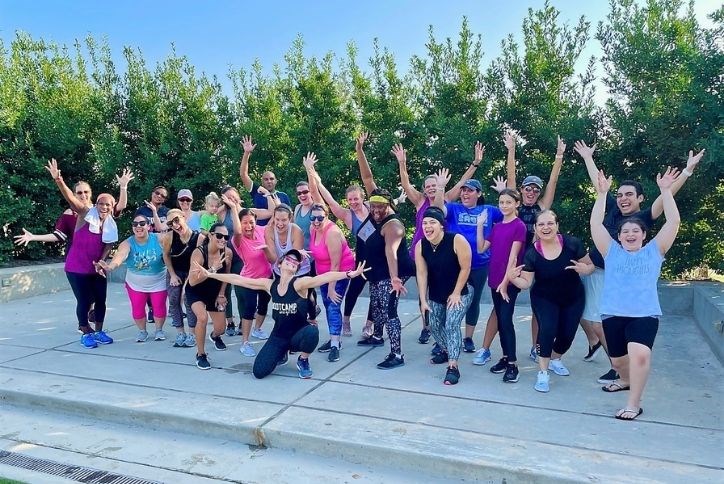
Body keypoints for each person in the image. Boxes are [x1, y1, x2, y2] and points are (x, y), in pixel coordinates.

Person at [573, 141, 705, 384]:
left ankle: (619, 368)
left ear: (640, 198)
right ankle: (618, 364)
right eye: (621, 194)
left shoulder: (643, 218)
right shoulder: (612, 208)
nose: (623, 199)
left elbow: (667, 196)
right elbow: (599, 186)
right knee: (593, 321)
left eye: (629, 195)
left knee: (604, 325)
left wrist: (686, 171)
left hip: (621, 279)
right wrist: (588, 159)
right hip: (598, 273)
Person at [590, 167, 681, 420]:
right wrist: (602, 194)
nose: (631, 234)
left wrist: (665, 191)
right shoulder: (611, 252)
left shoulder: (655, 251)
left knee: (640, 356)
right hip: (612, 313)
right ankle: (625, 379)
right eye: (626, 232)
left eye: (636, 231)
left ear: (643, 235)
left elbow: (673, 222)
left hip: (644, 315)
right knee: (619, 363)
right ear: (618, 237)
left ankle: (633, 403)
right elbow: (595, 223)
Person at [194, 249, 369, 379]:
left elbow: (323, 277)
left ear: (297, 268)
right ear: (279, 263)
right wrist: (211, 274)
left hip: (298, 334)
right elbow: (239, 279)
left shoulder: (300, 284)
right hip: (278, 336)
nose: (292, 262)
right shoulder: (269, 285)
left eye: (296, 262)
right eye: (289, 259)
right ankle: (281, 353)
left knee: (312, 331)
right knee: (259, 372)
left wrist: (348, 274)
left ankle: (303, 359)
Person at [392, 141, 483, 345]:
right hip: (422, 251)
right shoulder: (419, 201)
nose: (432, 189)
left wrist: (475, 163)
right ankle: (426, 326)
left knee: (442, 289)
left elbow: (462, 181)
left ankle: (441, 327)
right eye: (429, 186)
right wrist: (402, 162)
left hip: (443, 252)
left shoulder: (447, 197)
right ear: (424, 190)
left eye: (435, 185)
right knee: (424, 289)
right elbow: (405, 183)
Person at [506, 210, 594, 392]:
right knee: (547, 330)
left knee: (567, 336)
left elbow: (590, 265)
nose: (546, 227)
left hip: (573, 297)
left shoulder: (572, 244)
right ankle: (543, 372)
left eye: (549, 223)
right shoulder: (532, 253)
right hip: (544, 298)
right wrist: (512, 277)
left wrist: (586, 270)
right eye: (541, 225)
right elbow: (526, 283)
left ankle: (555, 358)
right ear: (536, 229)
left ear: (557, 225)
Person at [503, 132, 565, 362]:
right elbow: (510, 177)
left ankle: (537, 346)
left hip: (537, 260)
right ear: (521, 190)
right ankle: (490, 347)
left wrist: (559, 155)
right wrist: (511, 150)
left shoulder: (542, 206)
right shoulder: (515, 205)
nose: (531, 192)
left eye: (535, 189)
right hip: (514, 259)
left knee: (538, 307)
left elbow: (553, 182)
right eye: (527, 188)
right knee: (502, 302)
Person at [45, 159, 118, 348]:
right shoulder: (86, 212)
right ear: (96, 204)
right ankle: (85, 331)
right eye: (101, 203)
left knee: (101, 300)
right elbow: (71, 198)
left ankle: (99, 330)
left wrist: (102, 261)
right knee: (84, 301)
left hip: (96, 268)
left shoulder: (110, 223)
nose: (104, 207)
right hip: (76, 267)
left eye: (108, 204)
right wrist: (59, 180)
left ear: (112, 206)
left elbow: (108, 246)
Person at [431, 169, 503, 357]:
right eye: (463, 190)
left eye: (470, 190)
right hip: (453, 265)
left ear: (478, 194)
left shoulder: (489, 211)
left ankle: (468, 338)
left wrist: (503, 192)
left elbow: (510, 215)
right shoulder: (454, 208)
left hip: (480, 264)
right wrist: (440, 187)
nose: (465, 193)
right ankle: (444, 339)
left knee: (474, 301)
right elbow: (437, 208)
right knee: (449, 300)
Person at [303, 150, 371, 337]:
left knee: (378, 294)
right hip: (361, 259)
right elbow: (325, 197)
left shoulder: (373, 208)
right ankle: (346, 320)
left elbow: (386, 204)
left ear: (362, 197)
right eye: (350, 200)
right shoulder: (346, 215)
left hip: (379, 257)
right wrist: (312, 172)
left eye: (356, 198)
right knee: (353, 291)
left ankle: (369, 324)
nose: (353, 202)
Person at [359, 188, 416, 369]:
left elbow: (390, 252)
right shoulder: (376, 214)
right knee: (376, 303)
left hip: (393, 273)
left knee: (389, 311)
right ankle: (376, 336)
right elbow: (367, 179)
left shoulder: (393, 226)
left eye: (380, 208)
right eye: (372, 207)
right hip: (377, 271)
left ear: (389, 206)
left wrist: (394, 279)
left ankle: (397, 354)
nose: (375, 212)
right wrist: (361, 156)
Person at [416, 207, 473, 385]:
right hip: (436, 292)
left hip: (461, 291)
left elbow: (466, 268)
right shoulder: (421, 245)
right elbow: (422, 273)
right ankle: (448, 349)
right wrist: (423, 300)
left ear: (441, 226)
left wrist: (456, 292)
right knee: (432, 325)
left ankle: (453, 366)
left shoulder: (456, 240)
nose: (427, 226)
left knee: (451, 324)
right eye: (424, 223)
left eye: (432, 222)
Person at [476, 188, 526, 383]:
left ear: (516, 204)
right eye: (501, 202)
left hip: (509, 282)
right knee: (501, 321)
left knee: (505, 321)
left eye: (508, 202)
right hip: (495, 279)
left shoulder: (519, 226)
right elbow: (481, 249)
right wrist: (480, 226)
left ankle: (513, 364)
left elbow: (513, 258)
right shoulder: (497, 227)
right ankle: (505, 358)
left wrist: (505, 284)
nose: (504, 206)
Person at [96, 213, 168, 342]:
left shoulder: (159, 238)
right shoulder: (127, 243)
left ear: (149, 226)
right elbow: (120, 256)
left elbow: (177, 243)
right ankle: (142, 331)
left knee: (159, 306)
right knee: (137, 307)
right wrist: (110, 267)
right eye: (135, 224)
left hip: (159, 281)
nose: (138, 227)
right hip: (135, 283)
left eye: (142, 224)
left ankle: (159, 330)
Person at [308, 204, 356, 362]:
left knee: (333, 304)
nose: (316, 221)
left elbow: (335, 265)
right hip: (323, 273)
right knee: (328, 305)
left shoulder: (333, 233)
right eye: (313, 217)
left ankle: (335, 344)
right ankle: (333, 338)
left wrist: (331, 287)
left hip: (340, 272)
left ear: (327, 216)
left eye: (320, 218)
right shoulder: (312, 228)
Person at [229, 201, 276, 357]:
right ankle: (245, 342)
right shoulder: (238, 240)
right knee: (249, 309)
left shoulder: (262, 231)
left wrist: (270, 196)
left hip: (267, 278)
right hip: (250, 279)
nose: (249, 226)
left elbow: (276, 217)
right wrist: (234, 208)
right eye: (245, 223)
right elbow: (236, 230)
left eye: (251, 222)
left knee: (263, 306)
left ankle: (257, 329)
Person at [185, 222, 233, 370]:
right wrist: (211, 269)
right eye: (219, 236)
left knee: (221, 328)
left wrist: (221, 294)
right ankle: (201, 354)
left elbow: (226, 275)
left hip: (214, 291)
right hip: (196, 290)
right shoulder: (199, 252)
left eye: (226, 237)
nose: (223, 239)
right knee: (202, 318)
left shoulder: (227, 253)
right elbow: (192, 281)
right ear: (211, 235)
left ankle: (214, 336)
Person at [162, 208, 203, 348]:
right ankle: (180, 332)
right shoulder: (169, 237)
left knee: (189, 301)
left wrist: (188, 284)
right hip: (176, 271)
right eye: (170, 223)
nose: (174, 225)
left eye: (176, 220)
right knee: (173, 300)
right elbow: (166, 255)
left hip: (192, 272)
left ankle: (192, 333)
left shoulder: (199, 238)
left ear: (184, 217)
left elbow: (197, 262)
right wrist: (172, 274)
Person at [239, 135, 291, 226]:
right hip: (259, 234)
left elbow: (290, 217)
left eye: (271, 179)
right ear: (262, 181)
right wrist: (246, 153)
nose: (269, 181)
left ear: (276, 181)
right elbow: (243, 175)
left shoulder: (283, 196)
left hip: (279, 235)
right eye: (266, 179)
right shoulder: (257, 191)